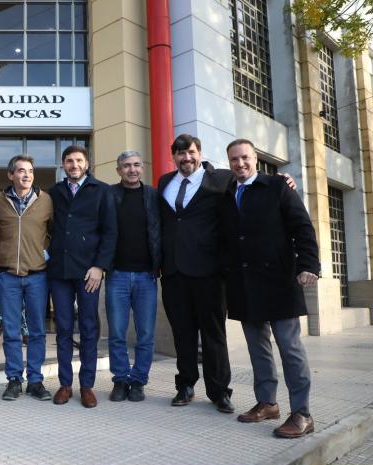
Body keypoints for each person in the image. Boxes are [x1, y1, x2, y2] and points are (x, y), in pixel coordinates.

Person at [222, 139, 319, 438]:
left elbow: (302, 226)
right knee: (258, 348)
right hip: (244, 284)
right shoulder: (226, 193)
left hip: (279, 281)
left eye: (245, 157)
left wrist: (309, 265)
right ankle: (267, 403)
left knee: (290, 348)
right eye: (234, 159)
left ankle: (302, 413)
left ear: (256, 158)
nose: (240, 163)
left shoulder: (278, 186)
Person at [158, 134, 235, 413]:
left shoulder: (222, 179)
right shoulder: (165, 182)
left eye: (190, 152)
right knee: (183, 334)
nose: (186, 158)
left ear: (199, 153)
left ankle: (219, 391)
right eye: (180, 153)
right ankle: (185, 385)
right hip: (174, 273)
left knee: (214, 334)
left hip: (209, 273)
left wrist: (283, 180)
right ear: (174, 157)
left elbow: (251, 183)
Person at [48, 145, 117, 408]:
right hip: (60, 271)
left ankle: (86, 385)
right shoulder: (55, 192)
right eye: (69, 161)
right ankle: (65, 384)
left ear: (87, 164)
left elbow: (110, 232)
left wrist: (100, 266)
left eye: (79, 160)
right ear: (63, 165)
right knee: (63, 328)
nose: (74, 165)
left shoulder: (102, 191)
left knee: (88, 328)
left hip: (89, 272)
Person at [0, 155, 54, 401]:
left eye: (30, 171)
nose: (26, 175)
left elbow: (54, 232)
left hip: (37, 275)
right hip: (8, 276)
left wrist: (45, 254)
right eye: (20, 171)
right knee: (11, 331)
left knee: (37, 331)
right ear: (11, 175)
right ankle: (14, 380)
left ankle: (36, 381)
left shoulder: (46, 200)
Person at [106, 151, 161, 402]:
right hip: (116, 275)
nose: (132, 169)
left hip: (146, 276)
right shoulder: (109, 194)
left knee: (145, 334)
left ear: (142, 168)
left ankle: (138, 381)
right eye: (126, 166)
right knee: (117, 333)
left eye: (136, 165)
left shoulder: (153, 195)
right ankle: (120, 380)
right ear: (119, 170)